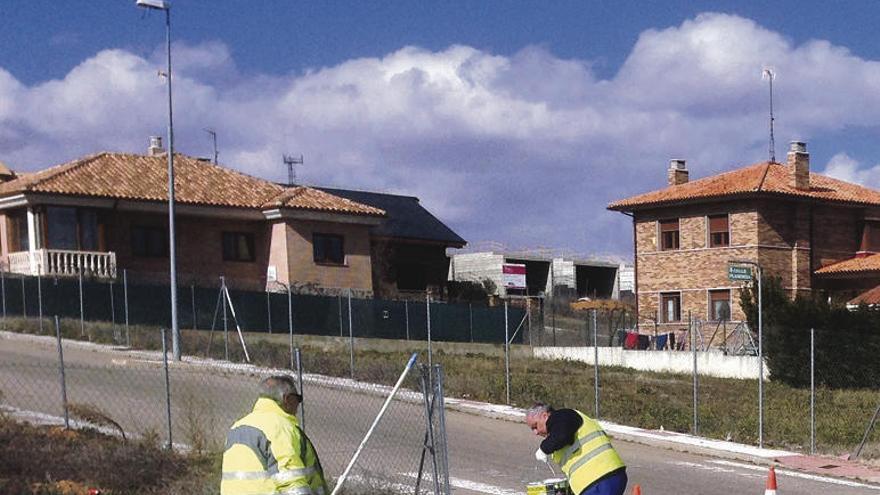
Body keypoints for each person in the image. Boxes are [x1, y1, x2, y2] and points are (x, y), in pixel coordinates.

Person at [221, 375, 327, 495]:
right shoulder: (279, 427)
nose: (298, 405)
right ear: (287, 399)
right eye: (298, 398)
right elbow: (290, 480)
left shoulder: (236, 428)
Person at [526, 403, 627, 495]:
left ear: (545, 416)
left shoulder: (562, 416)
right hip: (599, 480)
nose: (536, 432)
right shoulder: (559, 430)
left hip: (601, 479)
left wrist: (544, 448)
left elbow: (562, 435)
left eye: (535, 426)